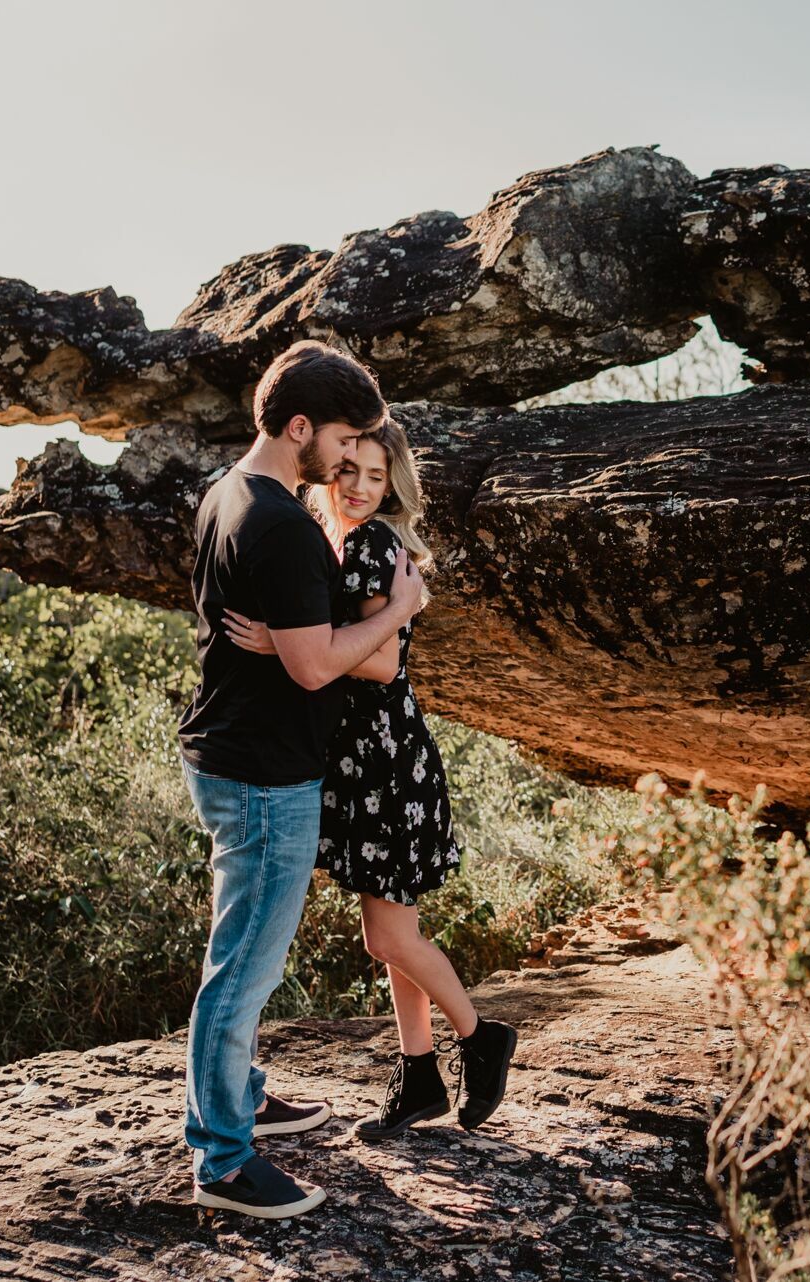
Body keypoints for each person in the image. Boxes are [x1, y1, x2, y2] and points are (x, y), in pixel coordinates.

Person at [177, 340, 420, 1219]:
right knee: (243, 969)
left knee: (241, 953)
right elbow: (318, 668)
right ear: (301, 426)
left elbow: (283, 641)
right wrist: (398, 608)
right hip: (262, 775)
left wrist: (292, 642)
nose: (352, 457)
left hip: (237, 755)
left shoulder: (226, 493)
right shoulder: (278, 522)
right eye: (346, 438)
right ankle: (223, 1160)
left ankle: (239, 1098)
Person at [222, 422, 519, 1142]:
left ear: (394, 487)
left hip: (385, 764)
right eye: (348, 469)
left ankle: (482, 1038)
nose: (358, 485)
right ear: (325, 469)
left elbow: (383, 664)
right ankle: (420, 1075)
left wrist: (282, 642)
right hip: (363, 762)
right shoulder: (330, 538)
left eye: (376, 477)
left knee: (389, 938)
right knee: (388, 933)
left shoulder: (372, 546)